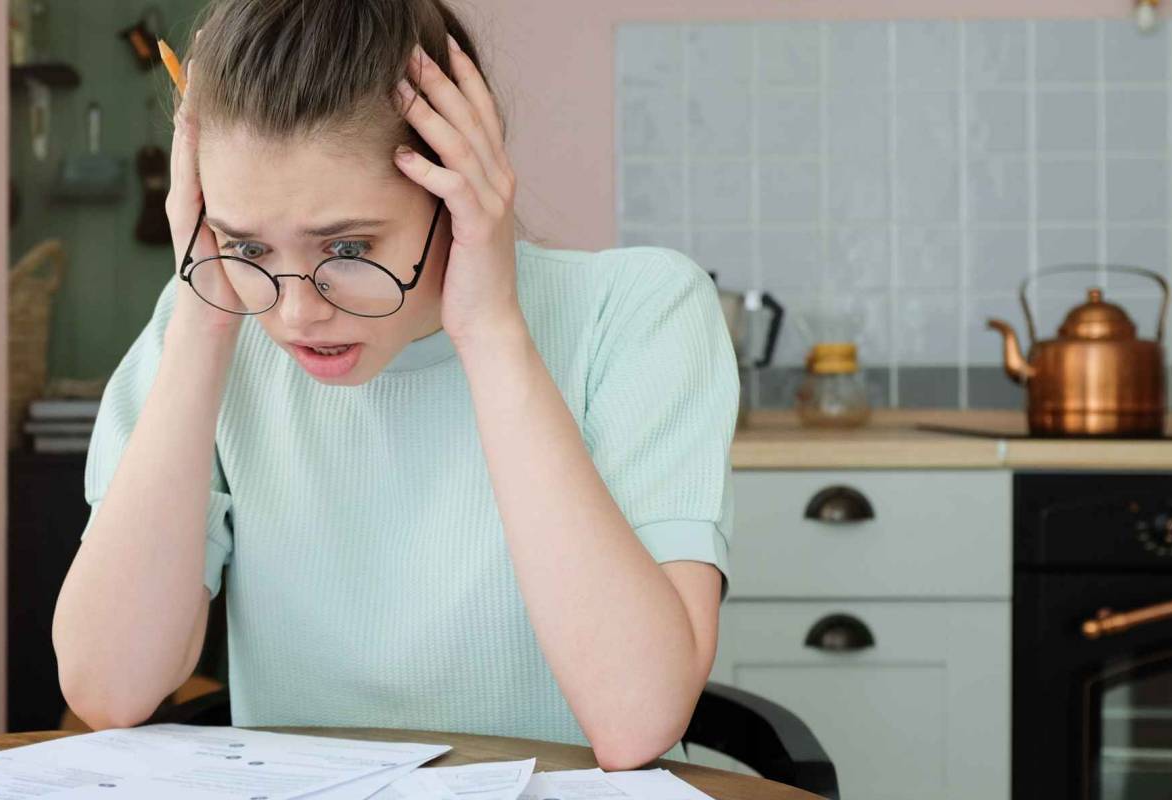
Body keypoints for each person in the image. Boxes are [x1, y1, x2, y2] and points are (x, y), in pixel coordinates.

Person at [51, 0, 737, 769]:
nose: (298, 312)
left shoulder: (639, 311)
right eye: (248, 243)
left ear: (457, 188)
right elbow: (107, 689)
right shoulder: (213, 314)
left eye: (346, 245)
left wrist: (491, 331)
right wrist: (204, 314)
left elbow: (636, 720)